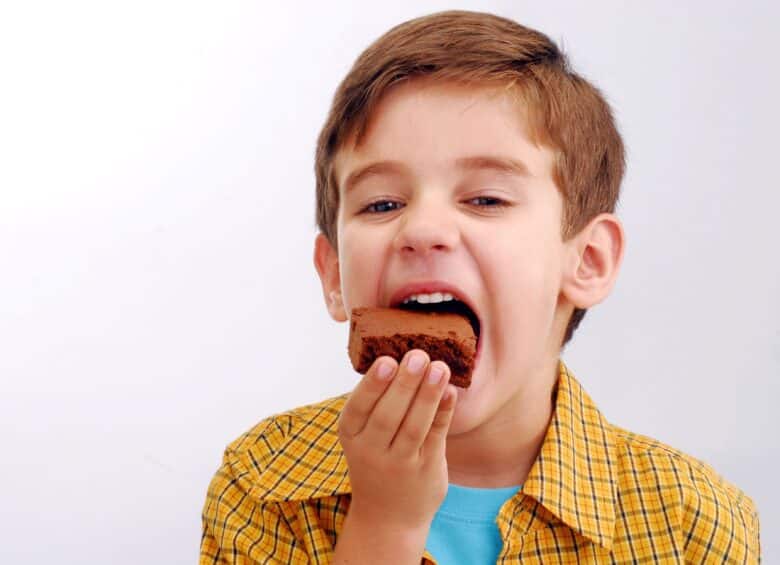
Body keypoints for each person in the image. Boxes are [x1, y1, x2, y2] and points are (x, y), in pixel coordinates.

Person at [200, 10, 760, 564]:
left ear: (587, 261)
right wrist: (386, 523)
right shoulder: (262, 482)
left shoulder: (692, 523)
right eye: (383, 204)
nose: (422, 229)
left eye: (486, 199)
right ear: (334, 276)